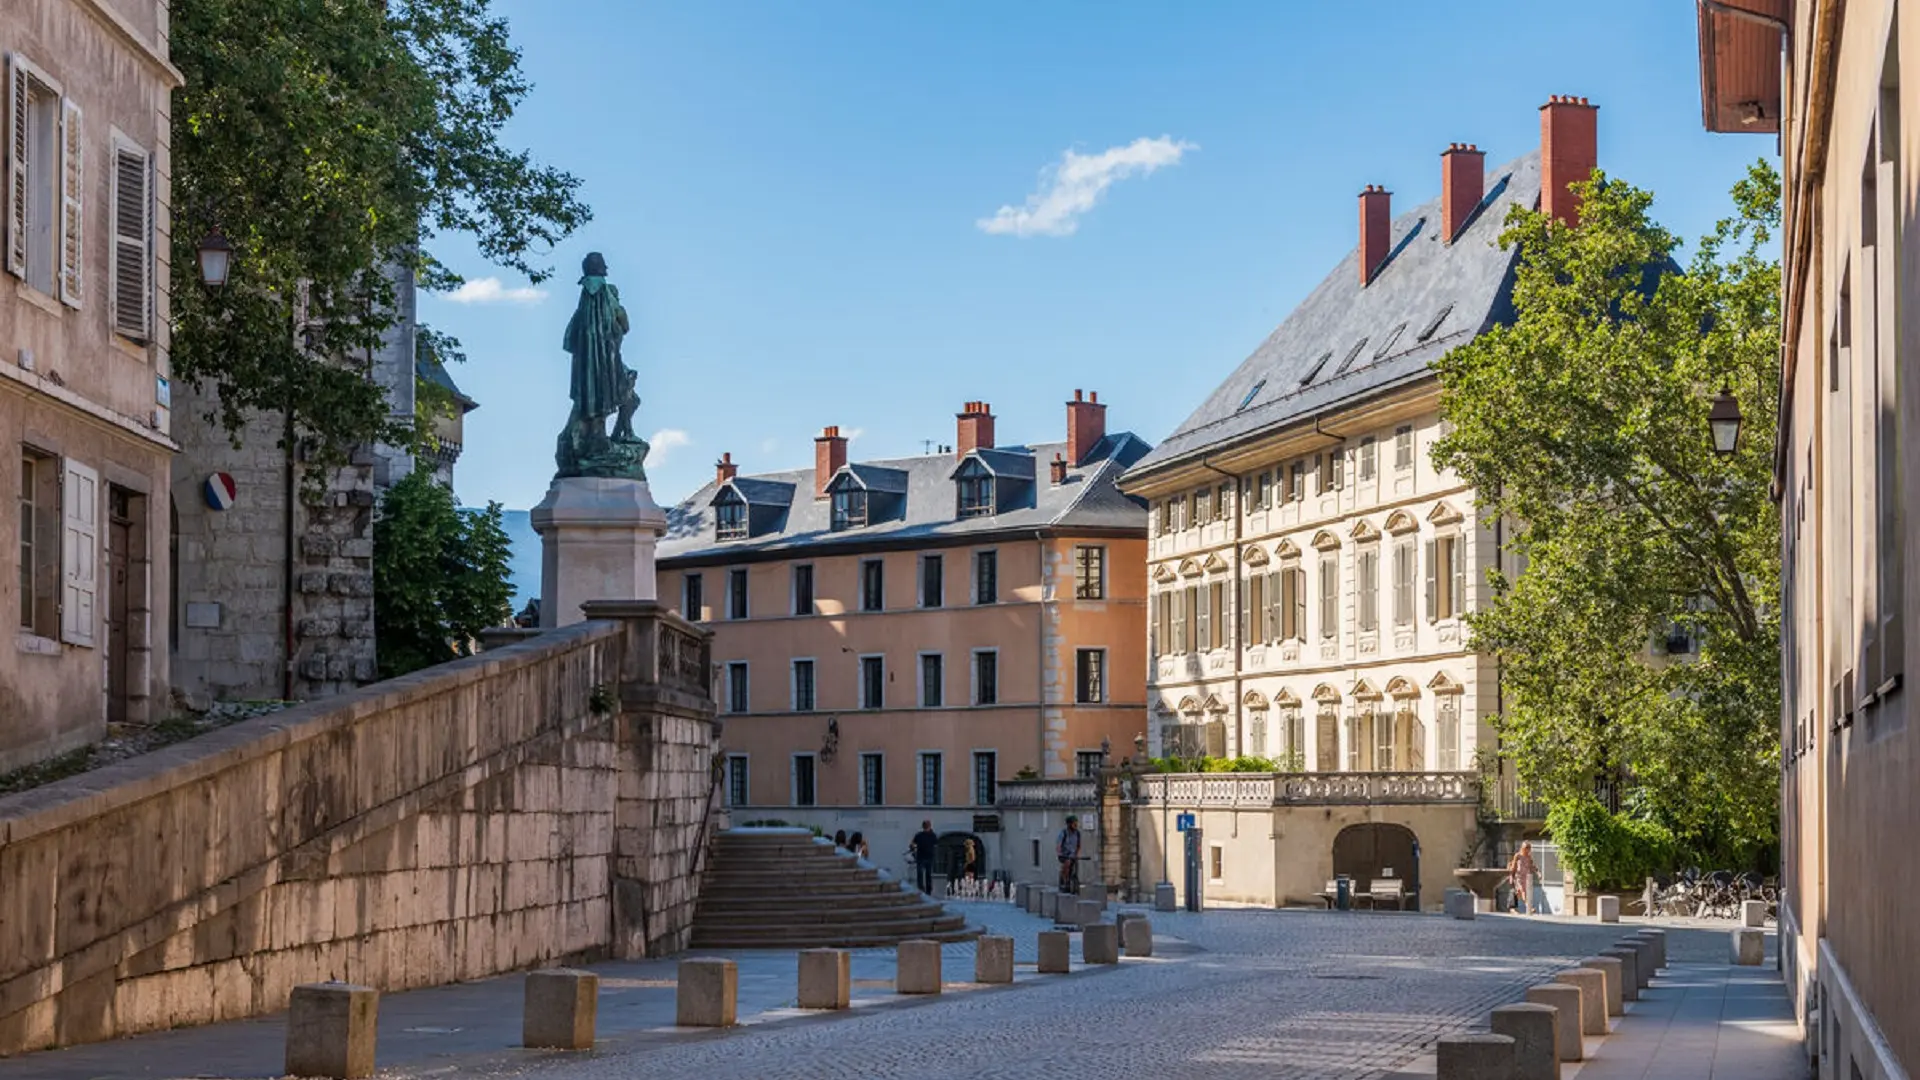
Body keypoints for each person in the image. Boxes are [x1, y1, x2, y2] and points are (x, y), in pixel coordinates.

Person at [1508, 841, 1538, 915]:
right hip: (1518, 877)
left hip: (1526, 877)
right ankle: (1529, 908)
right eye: (1526, 848)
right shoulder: (1517, 855)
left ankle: (1512, 909)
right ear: (1522, 848)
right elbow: (1513, 866)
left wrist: (1538, 873)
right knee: (1523, 891)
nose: (1527, 850)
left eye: (1528, 848)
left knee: (1518, 893)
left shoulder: (1529, 857)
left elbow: (1532, 866)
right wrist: (1511, 876)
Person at [910, 821, 940, 894]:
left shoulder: (919, 835)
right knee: (927, 875)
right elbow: (936, 845)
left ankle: (922, 889)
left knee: (921, 874)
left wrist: (913, 849)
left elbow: (912, 845)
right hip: (927, 857)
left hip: (922, 857)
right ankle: (927, 890)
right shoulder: (932, 835)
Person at [1057, 815, 1083, 894]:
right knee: (1067, 863)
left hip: (1073, 855)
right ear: (1069, 824)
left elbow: (1079, 846)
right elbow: (1058, 845)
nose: (1075, 825)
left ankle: (1074, 883)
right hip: (1064, 854)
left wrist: (1077, 854)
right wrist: (1060, 853)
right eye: (1073, 823)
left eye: (1076, 823)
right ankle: (1064, 880)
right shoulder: (1063, 833)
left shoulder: (1077, 833)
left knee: (1076, 865)